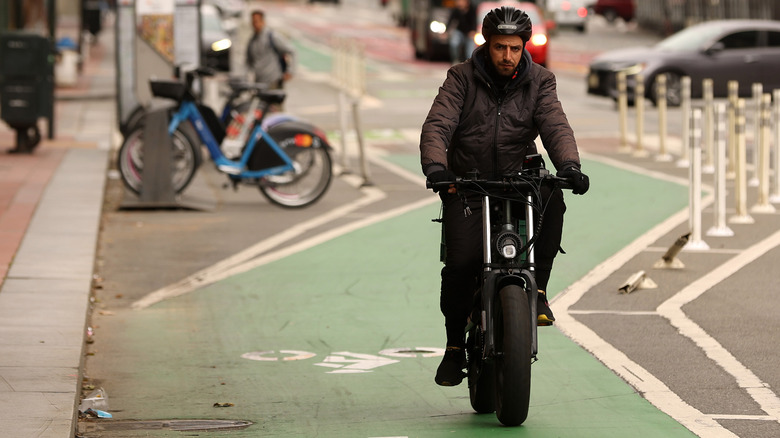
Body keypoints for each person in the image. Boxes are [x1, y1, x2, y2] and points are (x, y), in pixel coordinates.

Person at [419, 6, 590, 387]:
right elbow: (438, 124)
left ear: (523, 46)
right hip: (467, 184)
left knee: (551, 194)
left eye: (514, 48)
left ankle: (539, 289)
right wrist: (436, 167)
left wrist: (570, 165)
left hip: (518, 180)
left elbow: (555, 123)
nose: (507, 56)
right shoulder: (460, 78)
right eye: (499, 47)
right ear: (486, 43)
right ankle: (453, 348)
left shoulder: (541, 81)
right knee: (461, 263)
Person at [246, 10, 296, 89]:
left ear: (263, 21)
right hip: (258, 82)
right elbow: (248, 61)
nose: (255, 24)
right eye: (253, 21)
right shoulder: (252, 40)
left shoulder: (272, 36)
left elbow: (291, 50)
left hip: (273, 80)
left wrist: (290, 71)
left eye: (257, 21)